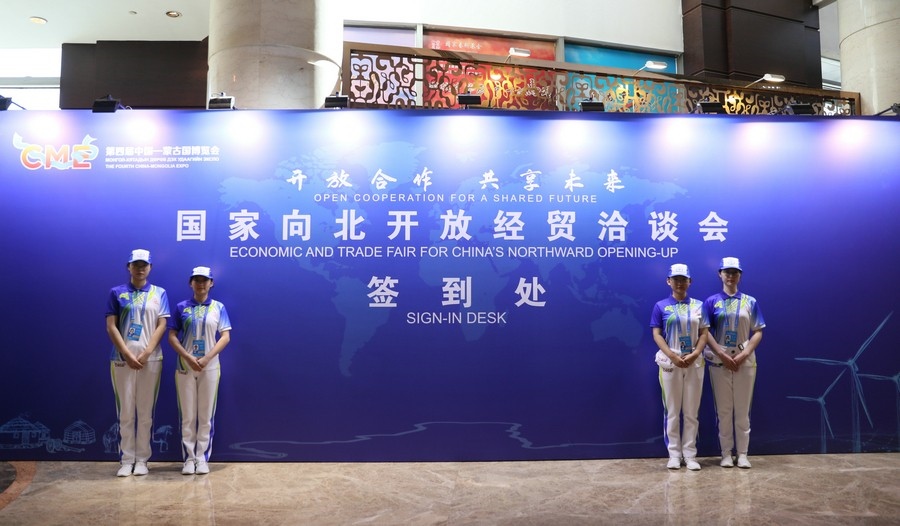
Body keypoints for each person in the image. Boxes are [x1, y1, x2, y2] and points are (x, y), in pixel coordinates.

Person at [105, 249, 170, 477]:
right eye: (136, 265)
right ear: (129, 267)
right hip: (121, 360)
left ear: (150, 268)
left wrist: (147, 352)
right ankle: (126, 459)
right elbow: (111, 326)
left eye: (144, 265)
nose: (140, 269)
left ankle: (142, 459)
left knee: (145, 412)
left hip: (151, 360)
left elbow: (162, 325)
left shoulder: (159, 293)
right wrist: (126, 353)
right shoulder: (117, 292)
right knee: (125, 411)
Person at [168, 266, 232, 475]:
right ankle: (189, 458)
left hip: (210, 366)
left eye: (205, 280)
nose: (201, 284)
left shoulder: (218, 307)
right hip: (185, 366)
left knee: (205, 415)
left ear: (211, 283)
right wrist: (188, 357)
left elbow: (225, 337)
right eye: (197, 280)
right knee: (187, 415)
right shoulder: (181, 307)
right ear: (191, 283)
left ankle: (202, 458)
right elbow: (172, 336)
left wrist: (206, 358)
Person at [703, 257, 765, 469]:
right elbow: (705, 332)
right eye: (727, 272)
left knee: (742, 409)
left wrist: (744, 354)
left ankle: (743, 453)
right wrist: (721, 354)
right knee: (724, 410)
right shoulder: (711, 302)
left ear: (740, 275)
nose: (730, 276)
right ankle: (726, 454)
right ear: (720, 274)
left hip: (744, 360)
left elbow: (758, 331)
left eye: (734, 272)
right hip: (719, 361)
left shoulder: (750, 301)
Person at [650, 263, 709, 471]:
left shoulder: (699, 306)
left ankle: (690, 454)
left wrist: (695, 354)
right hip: (670, 362)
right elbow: (656, 334)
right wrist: (672, 356)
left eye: (684, 279)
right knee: (673, 411)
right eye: (675, 279)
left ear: (690, 281)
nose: (680, 282)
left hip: (694, 361)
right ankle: (674, 454)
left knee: (691, 411)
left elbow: (704, 333)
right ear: (668, 281)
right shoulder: (660, 306)